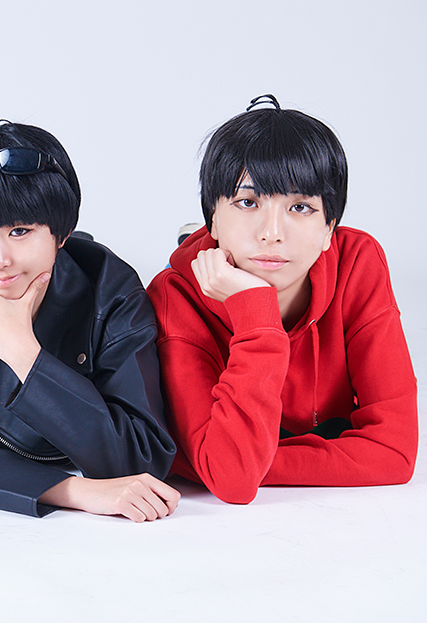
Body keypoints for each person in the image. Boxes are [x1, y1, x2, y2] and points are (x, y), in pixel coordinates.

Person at [0, 121, 179, 521]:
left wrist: (25, 355)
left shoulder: (111, 290)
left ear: (62, 232)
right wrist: (72, 490)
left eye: (20, 230)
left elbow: (142, 456)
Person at [147, 95, 418, 504]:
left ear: (329, 229)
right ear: (213, 219)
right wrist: (256, 314)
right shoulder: (175, 296)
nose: (271, 233)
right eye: (247, 202)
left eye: (301, 207)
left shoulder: (358, 262)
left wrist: (237, 461)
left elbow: (394, 452)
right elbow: (233, 481)